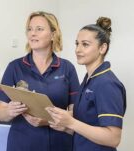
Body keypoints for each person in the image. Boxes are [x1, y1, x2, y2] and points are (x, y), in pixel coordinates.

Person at [0, 11, 79, 151]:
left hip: (59, 144)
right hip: (22, 144)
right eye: (30, 29)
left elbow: (75, 113)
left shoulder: (67, 68)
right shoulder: (14, 67)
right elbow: (1, 114)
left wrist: (48, 120)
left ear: (53, 34)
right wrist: (10, 110)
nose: (32, 33)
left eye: (39, 29)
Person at [46, 17, 126, 151]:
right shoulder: (88, 80)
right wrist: (67, 127)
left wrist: (71, 122)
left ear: (102, 48)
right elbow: (87, 126)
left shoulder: (107, 83)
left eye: (85, 44)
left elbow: (113, 138)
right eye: (77, 43)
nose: (78, 49)